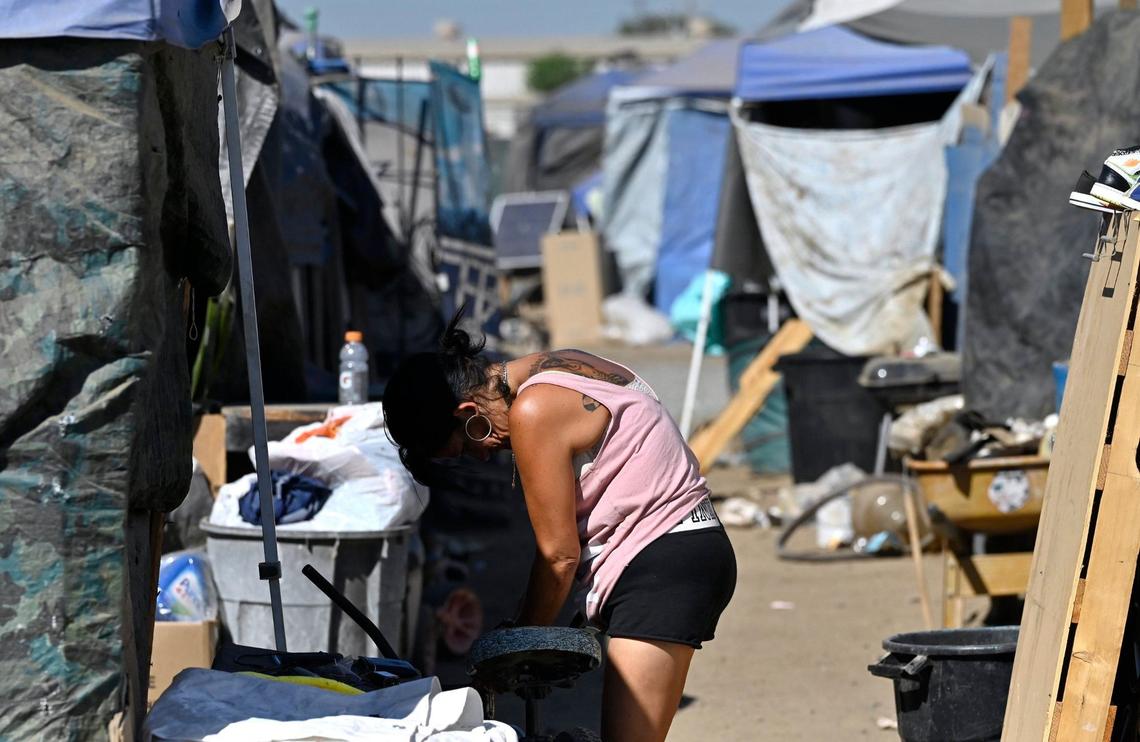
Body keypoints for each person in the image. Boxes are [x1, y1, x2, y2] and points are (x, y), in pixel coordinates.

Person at [383, 316, 736, 742]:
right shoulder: (558, 364)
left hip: (661, 564)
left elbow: (558, 556)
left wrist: (513, 651)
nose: (479, 457)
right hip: (683, 548)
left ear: (468, 413)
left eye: (466, 446)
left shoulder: (534, 410)